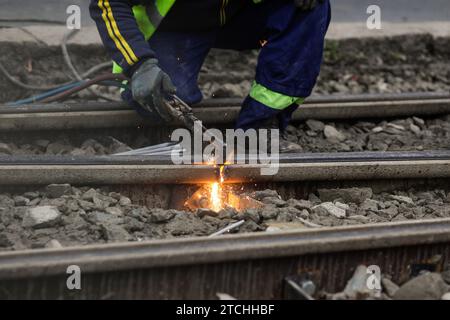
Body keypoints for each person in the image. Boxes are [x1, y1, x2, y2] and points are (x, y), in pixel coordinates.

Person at [90, 0, 331, 152]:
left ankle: (259, 127)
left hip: (240, 15)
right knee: (161, 100)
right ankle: (162, 129)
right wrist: (139, 64)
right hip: (176, 25)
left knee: (310, 7)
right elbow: (107, 3)